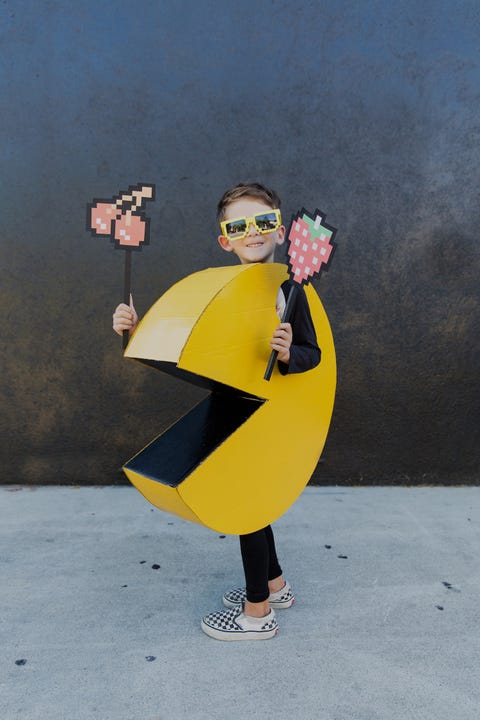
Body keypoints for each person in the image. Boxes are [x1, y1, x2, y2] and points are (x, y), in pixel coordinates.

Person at [112, 182, 320, 640]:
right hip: (233, 410)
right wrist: (133, 331)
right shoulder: (223, 291)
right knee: (257, 506)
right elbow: (191, 347)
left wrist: (290, 355)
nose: (253, 233)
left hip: (267, 415)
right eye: (239, 226)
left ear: (281, 231)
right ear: (225, 239)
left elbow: (314, 355)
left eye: (264, 222)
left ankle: (257, 613)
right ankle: (275, 584)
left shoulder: (292, 291)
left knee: (245, 507)